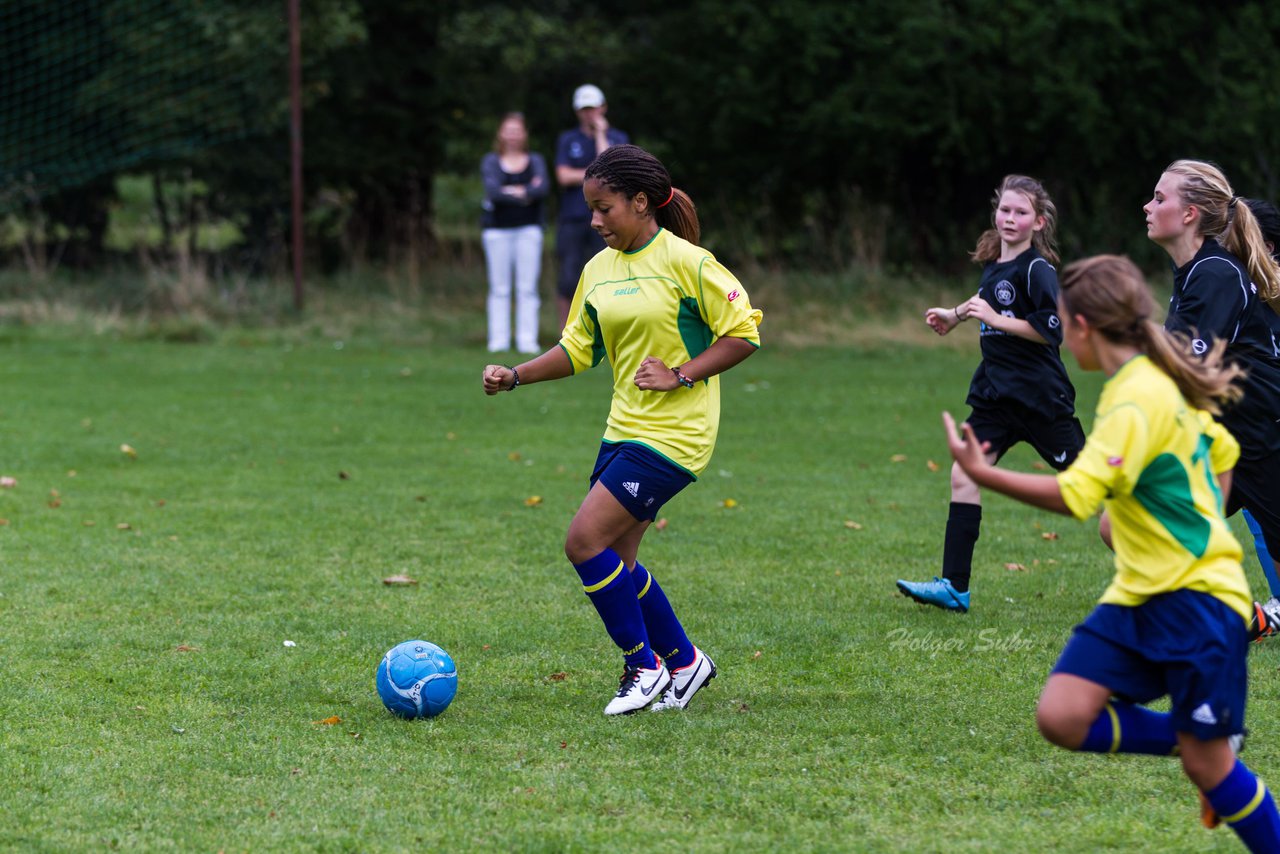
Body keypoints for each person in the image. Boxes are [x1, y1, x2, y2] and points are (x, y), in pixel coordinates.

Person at [946, 254, 1280, 850]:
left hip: (1201, 603)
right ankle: (1193, 736)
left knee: (1211, 773)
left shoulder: (1136, 399)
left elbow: (1078, 496)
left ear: (1082, 328)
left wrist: (983, 474)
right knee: (1063, 715)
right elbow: (1222, 454)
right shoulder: (1146, 382)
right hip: (1139, 598)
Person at [482, 143, 762, 715]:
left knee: (583, 542)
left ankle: (644, 666)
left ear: (640, 202)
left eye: (604, 207)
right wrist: (516, 375)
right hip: (622, 430)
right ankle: (685, 663)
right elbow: (576, 350)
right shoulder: (598, 270)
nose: (594, 220)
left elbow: (743, 334)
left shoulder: (691, 262)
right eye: (590, 208)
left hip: (676, 437)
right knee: (619, 560)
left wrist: (681, 374)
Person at [896, 175, 1084, 612]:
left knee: (1091, 488)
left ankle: (1161, 570)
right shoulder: (995, 264)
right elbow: (986, 298)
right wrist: (955, 314)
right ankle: (954, 587)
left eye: (1021, 213)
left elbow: (1052, 330)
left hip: (1040, 399)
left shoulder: (1039, 269)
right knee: (965, 473)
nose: (1010, 219)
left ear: (1038, 222)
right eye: (1005, 210)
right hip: (996, 398)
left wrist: (996, 320)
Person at [1143, 161, 1280, 642]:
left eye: (1160, 198)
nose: (1149, 206)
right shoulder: (1193, 272)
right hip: (1224, 439)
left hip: (1259, 437)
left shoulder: (1216, 273)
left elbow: (1187, 370)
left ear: (1190, 214)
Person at [553, 84, 628, 332]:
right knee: (568, 277)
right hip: (574, 217)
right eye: (584, 109)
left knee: (609, 276)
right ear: (577, 111)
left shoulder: (617, 138)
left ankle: (606, 331)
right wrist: (596, 175)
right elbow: (563, 177)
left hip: (610, 219)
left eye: (593, 108)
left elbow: (612, 171)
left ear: (603, 107)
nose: (589, 113)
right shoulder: (568, 139)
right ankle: (565, 334)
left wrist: (599, 135)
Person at [480, 112, 548, 354]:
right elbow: (493, 192)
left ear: (524, 134)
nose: (512, 136)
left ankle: (526, 340)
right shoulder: (490, 161)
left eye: (516, 131)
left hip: (528, 230)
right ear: (500, 134)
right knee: (499, 288)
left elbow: (542, 190)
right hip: (497, 232)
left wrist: (512, 191)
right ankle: (498, 340)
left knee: (527, 287)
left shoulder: (536, 160)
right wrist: (524, 191)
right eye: (508, 130)